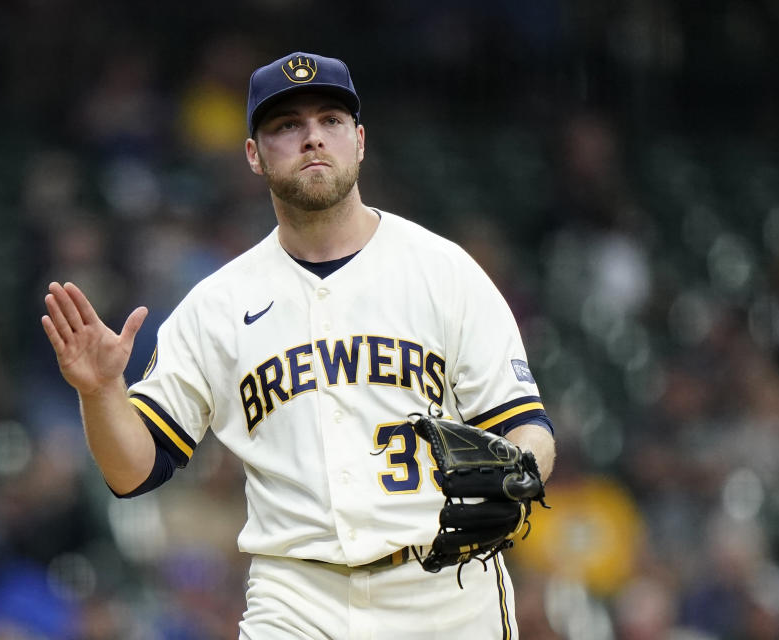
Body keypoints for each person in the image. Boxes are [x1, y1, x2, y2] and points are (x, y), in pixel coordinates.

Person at [42, 51, 556, 639]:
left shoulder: (445, 272)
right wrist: (102, 390)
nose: (313, 138)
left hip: (445, 591)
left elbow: (525, 425)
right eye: (287, 125)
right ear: (254, 156)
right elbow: (133, 470)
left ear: (359, 141)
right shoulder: (217, 305)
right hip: (297, 598)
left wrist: (522, 472)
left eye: (330, 121)